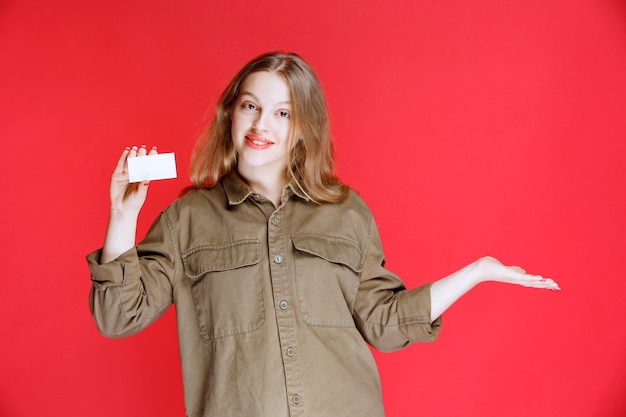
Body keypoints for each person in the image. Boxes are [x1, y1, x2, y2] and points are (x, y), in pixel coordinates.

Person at [87, 51, 559, 417]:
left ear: (303, 129)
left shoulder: (346, 213)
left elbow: (385, 322)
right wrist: (121, 215)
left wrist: (477, 272)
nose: (260, 125)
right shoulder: (187, 218)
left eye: (282, 113)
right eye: (250, 106)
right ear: (230, 113)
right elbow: (117, 317)